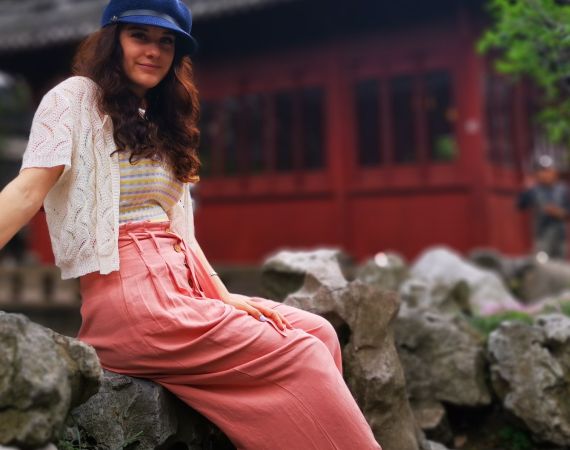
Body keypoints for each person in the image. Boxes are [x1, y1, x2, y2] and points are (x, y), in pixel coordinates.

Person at [0, 1, 383, 448]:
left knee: (316, 331)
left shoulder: (160, 117)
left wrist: (223, 296)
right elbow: (27, 191)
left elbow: (178, 226)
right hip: (132, 302)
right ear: (112, 39)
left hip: (182, 288)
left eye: (167, 42)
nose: (154, 51)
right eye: (139, 36)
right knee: (299, 353)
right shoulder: (74, 99)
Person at [517, 155, 570, 260]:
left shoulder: (563, 190)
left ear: (554, 172)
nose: (545, 174)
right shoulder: (534, 190)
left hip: (560, 237)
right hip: (542, 236)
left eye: (548, 170)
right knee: (542, 264)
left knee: (560, 266)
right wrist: (526, 189)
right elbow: (520, 205)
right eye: (541, 171)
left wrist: (559, 212)